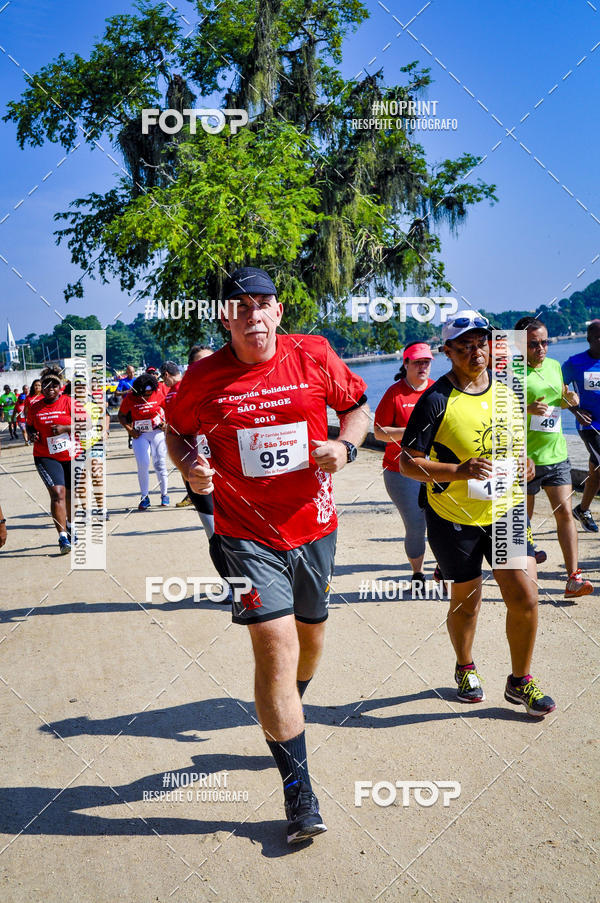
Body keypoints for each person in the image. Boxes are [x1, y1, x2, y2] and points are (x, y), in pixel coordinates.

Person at [167, 266, 369, 843]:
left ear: (278, 311)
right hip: (244, 534)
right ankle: (299, 792)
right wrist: (190, 466)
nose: (253, 314)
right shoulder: (203, 377)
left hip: (314, 525)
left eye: (263, 303)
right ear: (224, 317)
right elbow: (175, 432)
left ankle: (289, 702)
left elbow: (359, 407)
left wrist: (346, 446)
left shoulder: (313, 353)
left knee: (311, 637)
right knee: (274, 645)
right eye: (240, 305)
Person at [400, 309, 556, 717]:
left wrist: (525, 462)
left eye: (481, 343)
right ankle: (465, 666)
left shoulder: (507, 390)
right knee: (467, 602)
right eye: (465, 346)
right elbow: (407, 463)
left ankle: (520, 680)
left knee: (525, 596)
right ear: (448, 352)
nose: (476, 352)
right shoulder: (436, 400)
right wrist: (458, 471)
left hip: (505, 511)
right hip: (455, 517)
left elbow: (514, 440)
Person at [515, 316, 593, 598]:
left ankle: (573, 578)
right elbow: (495, 411)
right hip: (524, 458)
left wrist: (570, 401)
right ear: (519, 345)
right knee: (523, 520)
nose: (541, 348)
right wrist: (526, 410)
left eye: (544, 342)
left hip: (556, 454)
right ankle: (522, 577)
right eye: (533, 344)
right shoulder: (511, 373)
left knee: (565, 514)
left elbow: (558, 398)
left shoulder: (554, 366)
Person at [374, 342, 434, 586]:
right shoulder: (395, 394)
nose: (423, 366)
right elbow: (379, 432)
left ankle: (443, 569)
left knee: (443, 521)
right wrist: (410, 432)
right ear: (406, 363)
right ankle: (418, 573)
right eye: (417, 362)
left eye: (426, 362)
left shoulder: (437, 390)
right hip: (400, 471)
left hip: (435, 469)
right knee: (416, 523)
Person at [26, 366, 75, 554]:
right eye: (46, 385)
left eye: (54, 385)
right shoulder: (35, 407)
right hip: (45, 455)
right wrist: (32, 434)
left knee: (69, 495)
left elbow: (87, 423)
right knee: (57, 493)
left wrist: (65, 428)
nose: (50, 389)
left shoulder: (69, 402)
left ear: (60, 387)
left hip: (70, 455)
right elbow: (29, 426)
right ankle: (63, 538)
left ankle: (70, 525)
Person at [562, 319, 600, 532]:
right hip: (591, 426)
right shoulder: (574, 363)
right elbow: (556, 390)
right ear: (589, 339)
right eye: (599, 337)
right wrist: (575, 411)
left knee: (596, 472)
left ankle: (582, 510)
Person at [118, 373, 170, 510]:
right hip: (140, 435)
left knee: (160, 463)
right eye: (144, 394)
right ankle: (144, 497)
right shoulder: (131, 397)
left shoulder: (158, 392)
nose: (147, 396)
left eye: (149, 394)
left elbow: (170, 409)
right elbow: (121, 415)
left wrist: (166, 423)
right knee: (143, 464)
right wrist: (130, 430)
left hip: (157, 432)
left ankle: (164, 494)